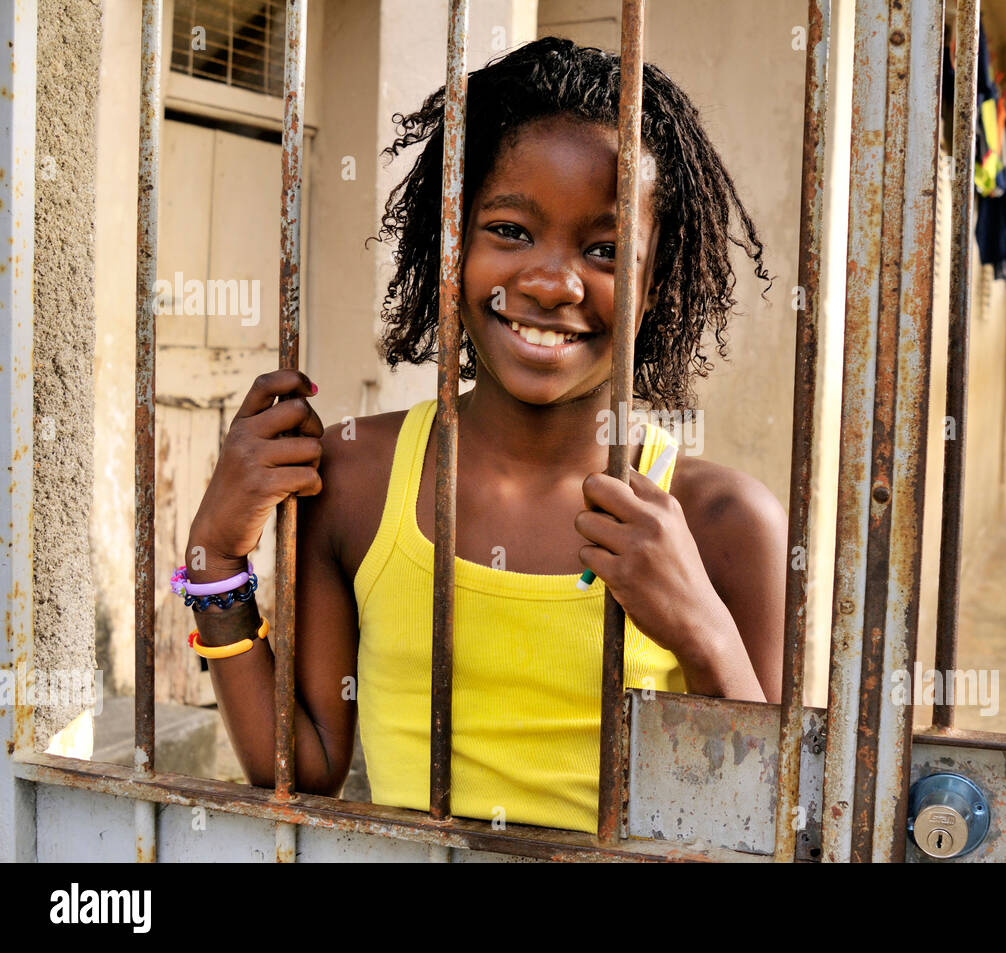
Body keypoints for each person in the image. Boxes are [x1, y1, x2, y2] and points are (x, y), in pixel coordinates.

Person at [181, 36, 787, 835]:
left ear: (659, 282)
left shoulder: (722, 523)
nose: (550, 281)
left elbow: (773, 815)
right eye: (509, 230)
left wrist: (703, 630)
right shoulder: (358, 480)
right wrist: (217, 560)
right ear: (449, 245)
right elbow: (306, 768)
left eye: (606, 250)